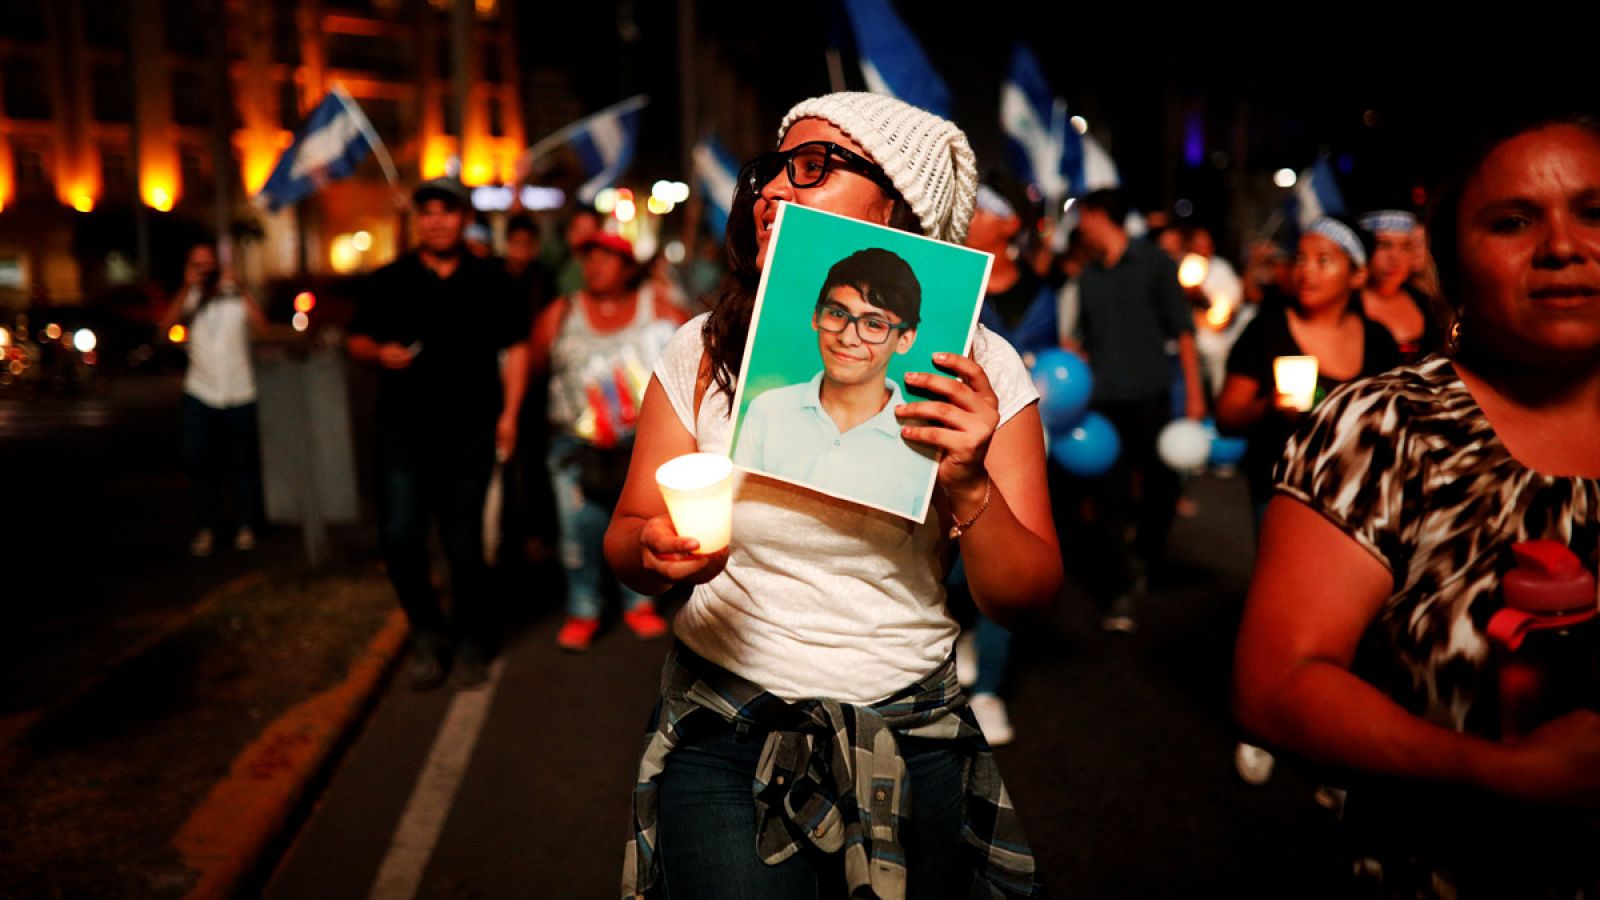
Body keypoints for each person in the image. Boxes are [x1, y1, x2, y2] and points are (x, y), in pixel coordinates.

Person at [606, 92, 1059, 898]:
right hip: (726, 728)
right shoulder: (704, 352)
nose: (772, 191)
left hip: (910, 731)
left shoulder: (980, 375)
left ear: (899, 204)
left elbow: (1024, 598)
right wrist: (655, 550)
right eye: (769, 172)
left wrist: (968, 485)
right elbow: (628, 535)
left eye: (811, 168)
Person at [1233, 115, 1600, 896]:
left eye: (1596, 213)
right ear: (1455, 261)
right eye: (1512, 221)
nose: (1564, 245)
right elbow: (1277, 681)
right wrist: (1500, 771)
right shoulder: (1386, 426)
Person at [1216, 215, 1402, 786]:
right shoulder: (1267, 330)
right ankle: (1259, 726)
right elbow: (1228, 414)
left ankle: (1329, 734)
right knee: (1277, 610)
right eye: (1302, 258)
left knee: (1350, 618)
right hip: (1282, 490)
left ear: (1356, 275)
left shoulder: (1378, 341)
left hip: (1359, 496)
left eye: (1325, 260)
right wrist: (1269, 406)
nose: (1307, 270)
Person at [346, 176, 530, 691]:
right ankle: (426, 631)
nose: (436, 219)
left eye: (446, 210)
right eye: (426, 211)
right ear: (417, 219)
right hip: (402, 437)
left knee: (464, 544)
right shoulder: (390, 280)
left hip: (469, 434)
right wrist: (377, 353)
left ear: (463, 217)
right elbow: (355, 338)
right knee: (401, 540)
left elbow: (516, 347)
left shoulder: (492, 280)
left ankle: (471, 636)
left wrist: (510, 414)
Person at [528, 229, 685, 652]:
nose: (595, 266)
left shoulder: (660, 308)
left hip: (641, 445)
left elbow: (692, 357)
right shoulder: (562, 312)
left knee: (645, 525)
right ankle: (584, 610)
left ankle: (640, 603)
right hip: (575, 449)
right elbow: (537, 363)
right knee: (578, 531)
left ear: (628, 266)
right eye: (588, 257)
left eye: (607, 257)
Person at [1072, 188, 1207, 632]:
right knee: (1108, 498)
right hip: (1104, 404)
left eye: (1082, 216)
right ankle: (1117, 590)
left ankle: (1145, 555)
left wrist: (1194, 393)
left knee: (1164, 488)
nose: (1078, 227)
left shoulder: (1154, 263)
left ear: (1098, 216)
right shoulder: (1088, 277)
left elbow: (1184, 333)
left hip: (1150, 398)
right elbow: (1085, 342)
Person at [732, 247, 934, 517]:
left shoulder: (924, 442)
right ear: (816, 317)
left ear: (905, 339)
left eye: (874, 324)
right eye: (837, 314)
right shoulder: (768, 410)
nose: (848, 338)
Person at [159, 240, 267, 558]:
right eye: (198, 265)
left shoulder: (235, 295)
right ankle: (207, 527)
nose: (205, 271)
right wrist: (185, 288)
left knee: (244, 462)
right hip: (200, 391)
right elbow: (163, 330)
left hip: (240, 390)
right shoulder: (190, 298)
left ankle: (247, 525)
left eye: (209, 265)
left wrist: (239, 288)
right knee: (200, 462)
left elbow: (261, 328)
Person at [1357, 208, 1445, 362]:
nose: (1395, 257)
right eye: (1384, 245)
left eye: (1405, 246)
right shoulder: (1348, 307)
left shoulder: (1427, 305)